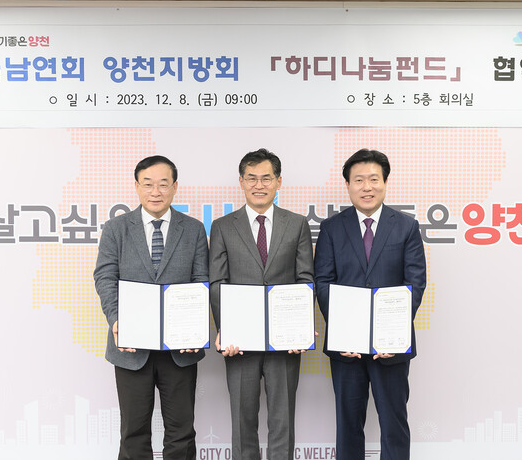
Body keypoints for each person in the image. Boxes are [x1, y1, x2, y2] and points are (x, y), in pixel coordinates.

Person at [94, 155, 209, 460]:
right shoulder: (116, 228)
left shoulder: (194, 229)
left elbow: (201, 281)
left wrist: (195, 328)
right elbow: (105, 276)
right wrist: (116, 319)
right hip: (131, 348)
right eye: (148, 184)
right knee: (133, 432)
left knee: (181, 432)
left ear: (175, 187)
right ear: (136, 187)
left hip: (180, 350)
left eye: (163, 184)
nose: (155, 192)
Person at [314, 149, 426, 460]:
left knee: (394, 423)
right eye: (359, 180)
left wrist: (393, 334)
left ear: (385, 183)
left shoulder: (405, 226)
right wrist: (343, 332)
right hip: (346, 348)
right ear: (348, 185)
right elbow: (323, 282)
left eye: (374, 179)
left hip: (391, 347)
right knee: (348, 424)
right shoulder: (331, 228)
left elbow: (415, 283)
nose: (367, 187)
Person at [209, 148, 314, 460]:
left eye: (266, 178)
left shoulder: (297, 224)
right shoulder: (222, 226)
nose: (259, 185)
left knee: (283, 421)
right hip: (239, 343)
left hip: (284, 342)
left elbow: (305, 279)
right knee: (242, 423)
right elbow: (217, 282)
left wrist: (299, 328)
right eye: (251, 178)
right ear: (241, 182)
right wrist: (225, 328)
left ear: (278, 182)